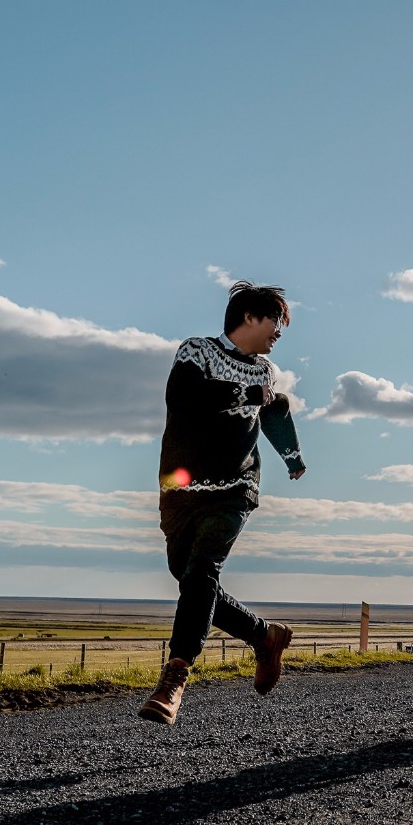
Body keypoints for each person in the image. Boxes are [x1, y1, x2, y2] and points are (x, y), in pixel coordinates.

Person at [139, 282, 306, 726]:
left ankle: (174, 678)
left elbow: (273, 411)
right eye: (276, 321)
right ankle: (264, 635)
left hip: (235, 488)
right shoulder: (197, 351)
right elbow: (186, 400)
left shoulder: (266, 371)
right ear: (249, 316)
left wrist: (292, 456)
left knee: (201, 572)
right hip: (180, 487)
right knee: (186, 575)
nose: (279, 332)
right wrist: (249, 396)